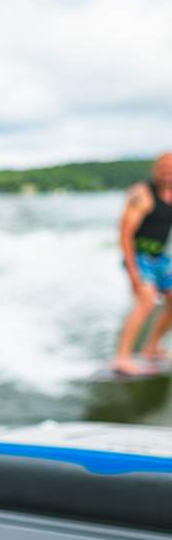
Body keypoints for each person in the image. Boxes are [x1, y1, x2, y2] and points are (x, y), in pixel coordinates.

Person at [113, 153, 172, 375]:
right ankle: (122, 357)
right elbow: (125, 234)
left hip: (161, 258)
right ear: (155, 170)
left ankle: (151, 348)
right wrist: (133, 273)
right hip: (138, 256)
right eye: (164, 168)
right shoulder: (142, 194)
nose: (168, 173)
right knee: (146, 301)